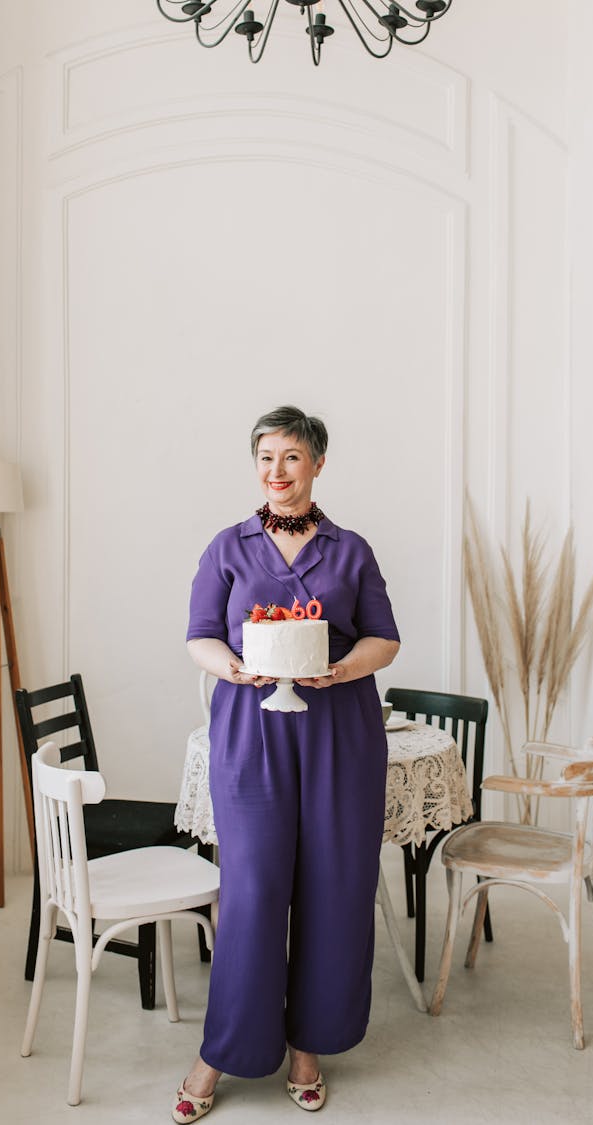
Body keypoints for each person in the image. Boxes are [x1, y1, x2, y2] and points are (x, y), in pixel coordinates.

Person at [174, 405, 400, 1122]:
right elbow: (200, 636)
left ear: (318, 464)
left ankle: (311, 1046)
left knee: (337, 886)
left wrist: (340, 667)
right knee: (252, 891)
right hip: (250, 728)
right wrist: (234, 666)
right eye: (266, 456)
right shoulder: (228, 546)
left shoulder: (352, 549)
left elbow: (384, 641)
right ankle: (223, 1050)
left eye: (292, 457)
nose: (277, 471)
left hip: (342, 729)